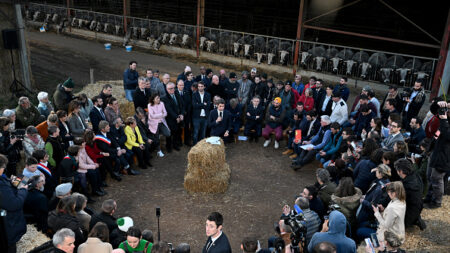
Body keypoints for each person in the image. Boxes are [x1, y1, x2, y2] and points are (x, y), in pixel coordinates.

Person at [0, 154, 28, 253]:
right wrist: (23, 190)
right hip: (6, 226)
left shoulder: (3, 180)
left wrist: (10, 181)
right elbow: (14, 204)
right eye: (3, 168)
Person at [424, 100, 449, 209]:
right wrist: (438, 104)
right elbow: (434, 111)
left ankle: (437, 201)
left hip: (444, 156)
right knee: (429, 176)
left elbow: (448, 135)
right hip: (435, 151)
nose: (447, 111)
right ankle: (429, 197)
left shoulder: (445, 121)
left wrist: (444, 120)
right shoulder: (445, 118)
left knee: (437, 178)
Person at [162, 82, 185, 152]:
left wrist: (182, 114)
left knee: (177, 133)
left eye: (173, 88)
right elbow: (169, 110)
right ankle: (168, 147)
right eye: (170, 89)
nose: (172, 90)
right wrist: (176, 117)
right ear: (167, 89)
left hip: (179, 118)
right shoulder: (164, 98)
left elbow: (182, 105)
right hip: (171, 119)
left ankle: (175, 145)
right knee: (170, 134)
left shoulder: (177, 94)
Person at [176, 79, 192, 146]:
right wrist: (180, 113)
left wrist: (186, 111)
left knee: (187, 128)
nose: (181, 86)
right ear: (177, 85)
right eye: (180, 85)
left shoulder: (187, 92)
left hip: (186, 114)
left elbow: (189, 103)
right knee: (179, 128)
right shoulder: (175, 93)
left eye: (182, 85)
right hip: (178, 114)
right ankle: (179, 142)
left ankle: (187, 141)